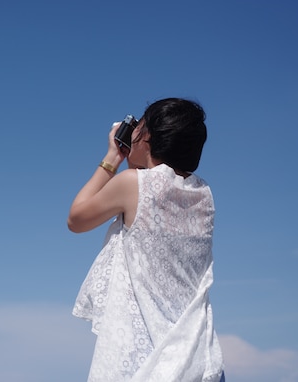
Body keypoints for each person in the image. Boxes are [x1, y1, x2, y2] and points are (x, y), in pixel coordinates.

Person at [68, 98, 224, 382]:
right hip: (200, 360)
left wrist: (113, 157)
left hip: (146, 364)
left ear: (147, 136)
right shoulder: (204, 194)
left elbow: (76, 219)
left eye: (137, 127)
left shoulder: (133, 183)